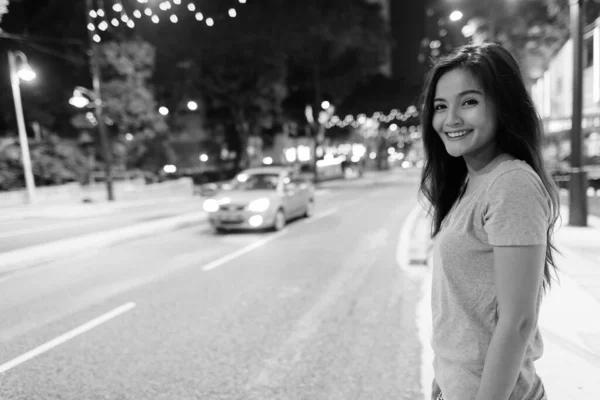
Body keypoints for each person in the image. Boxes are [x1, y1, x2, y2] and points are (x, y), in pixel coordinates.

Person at [418, 42, 561, 400]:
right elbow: (462, 309)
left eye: (469, 102)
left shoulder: (510, 183)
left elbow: (518, 323)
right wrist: (445, 377)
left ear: (503, 105)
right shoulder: (472, 181)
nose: (450, 119)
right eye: (440, 106)